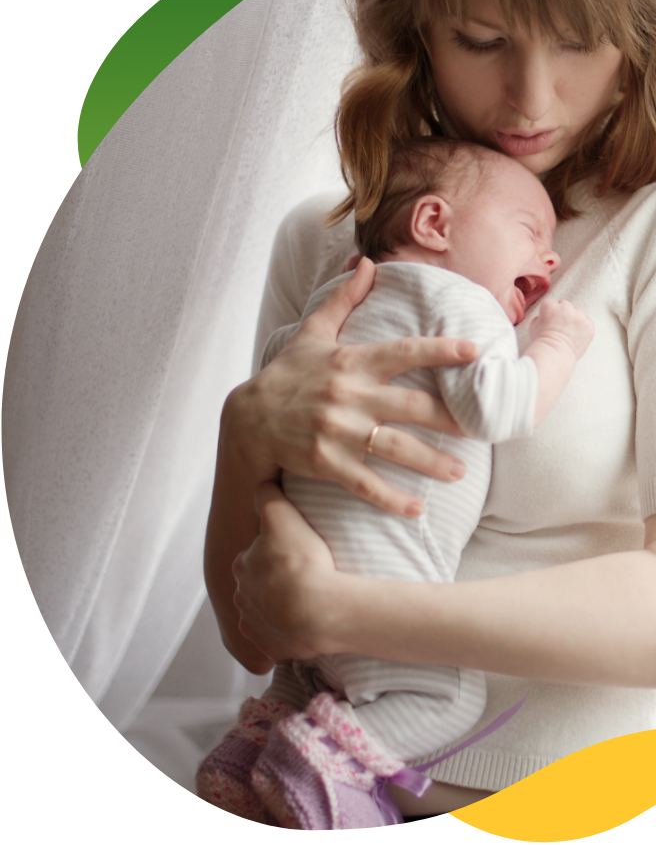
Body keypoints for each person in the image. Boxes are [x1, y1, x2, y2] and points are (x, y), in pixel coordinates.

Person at [206, 0, 656, 824]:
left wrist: (353, 616)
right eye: (482, 40)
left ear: (635, 38)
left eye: (578, 41)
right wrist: (244, 433)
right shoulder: (323, 241)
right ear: (417, 31)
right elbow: (251, 631)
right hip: (305, 796)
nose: (531, 96)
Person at [198, 136, 593, 828]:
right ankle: (322, 768)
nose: (549, 259)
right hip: (384, 576)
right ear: (435, 225)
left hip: (296, 563)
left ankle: (252, 750)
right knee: (448, 697)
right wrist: (555, 345)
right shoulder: (463, 302)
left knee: (306, 676)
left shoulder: (333, 300)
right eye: (531, 233)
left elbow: (270, 381)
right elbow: (498, 407)